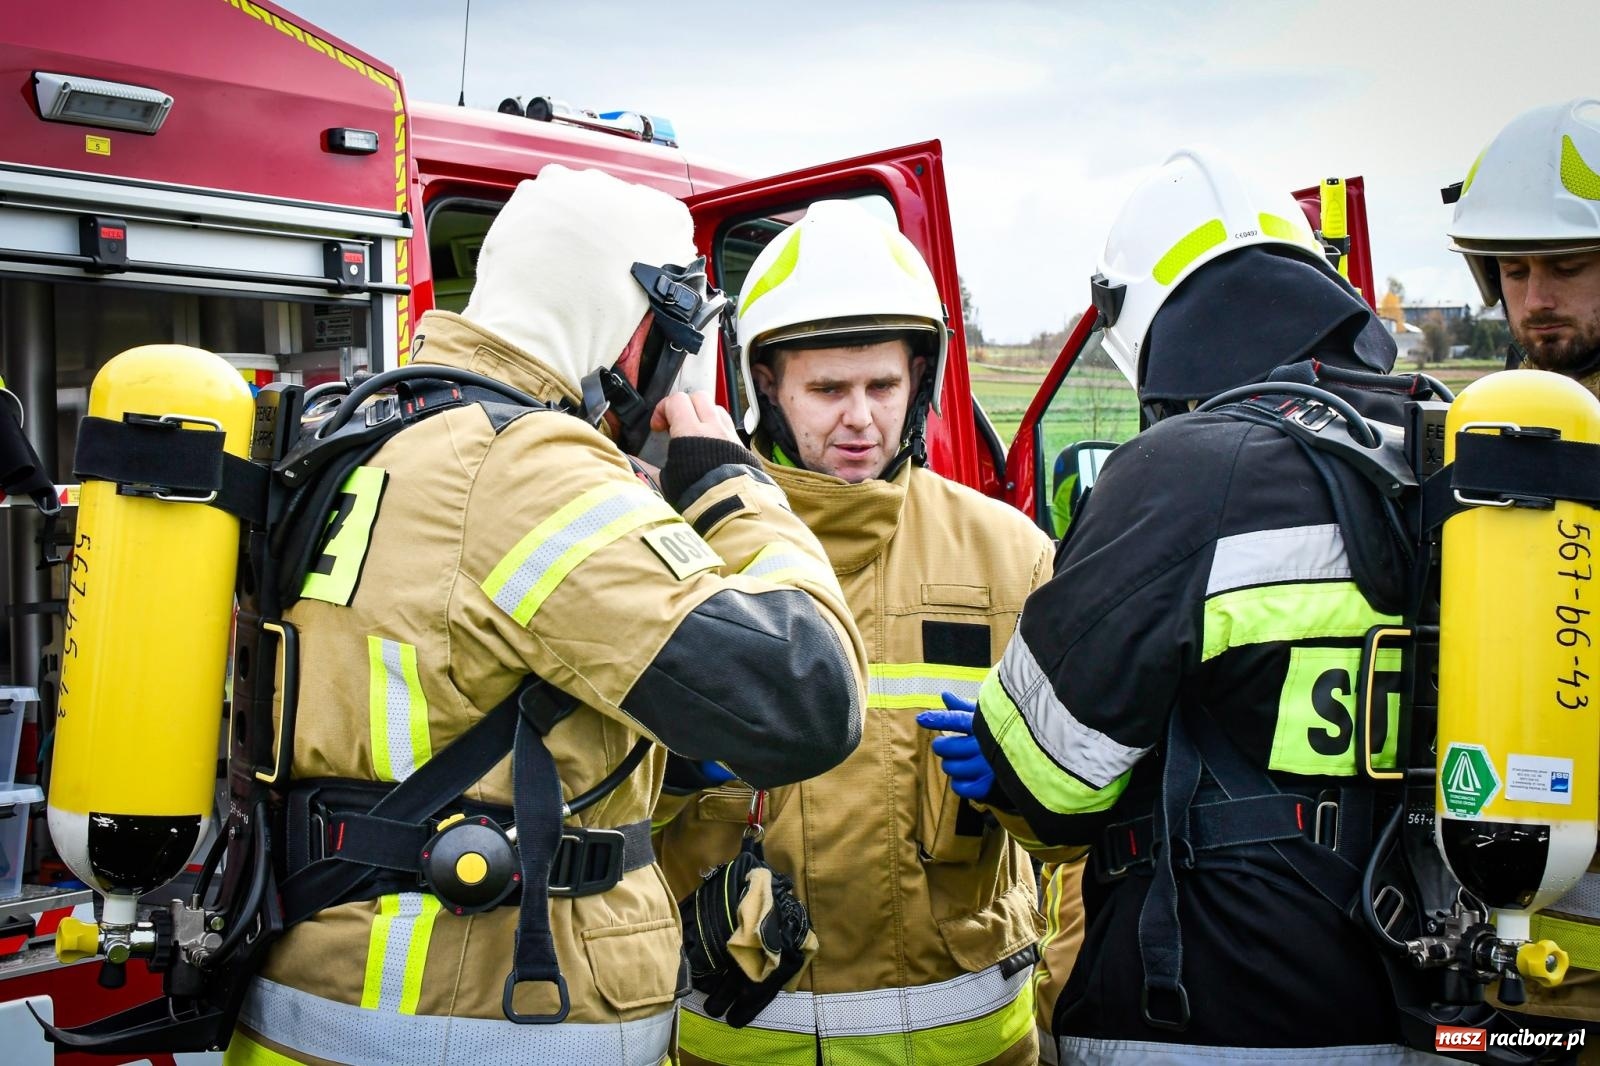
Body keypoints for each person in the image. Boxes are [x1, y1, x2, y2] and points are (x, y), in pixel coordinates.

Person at [223, 166, 868, 1066]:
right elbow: (807, 700)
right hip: (469, 1020)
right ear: (637, 324)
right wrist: (733, 488)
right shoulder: (527, 469)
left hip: (339, 998)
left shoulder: (380, 431)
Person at [967, 147, 1450, 1063]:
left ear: (1138, 317)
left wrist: (998, 743)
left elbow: (1047, 782)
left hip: (1209, 1019)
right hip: (1441, 1010)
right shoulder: (1442, 447)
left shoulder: (1183, 473)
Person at [652, 199, 1080, 1066]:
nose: (859, 419)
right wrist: (667, 777)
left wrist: (1029, 789)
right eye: (827, 389)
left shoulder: (1012, 556)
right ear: (766, 384)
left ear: (918, 380)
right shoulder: (676, 548)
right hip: (733, 1044)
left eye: (882, 386)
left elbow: (1078, 847)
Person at [1448, 97, 1600, 1027]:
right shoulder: (1490, 433)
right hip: (1527, 968)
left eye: (1570, 267)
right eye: (1512, 269)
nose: (1536, 298)